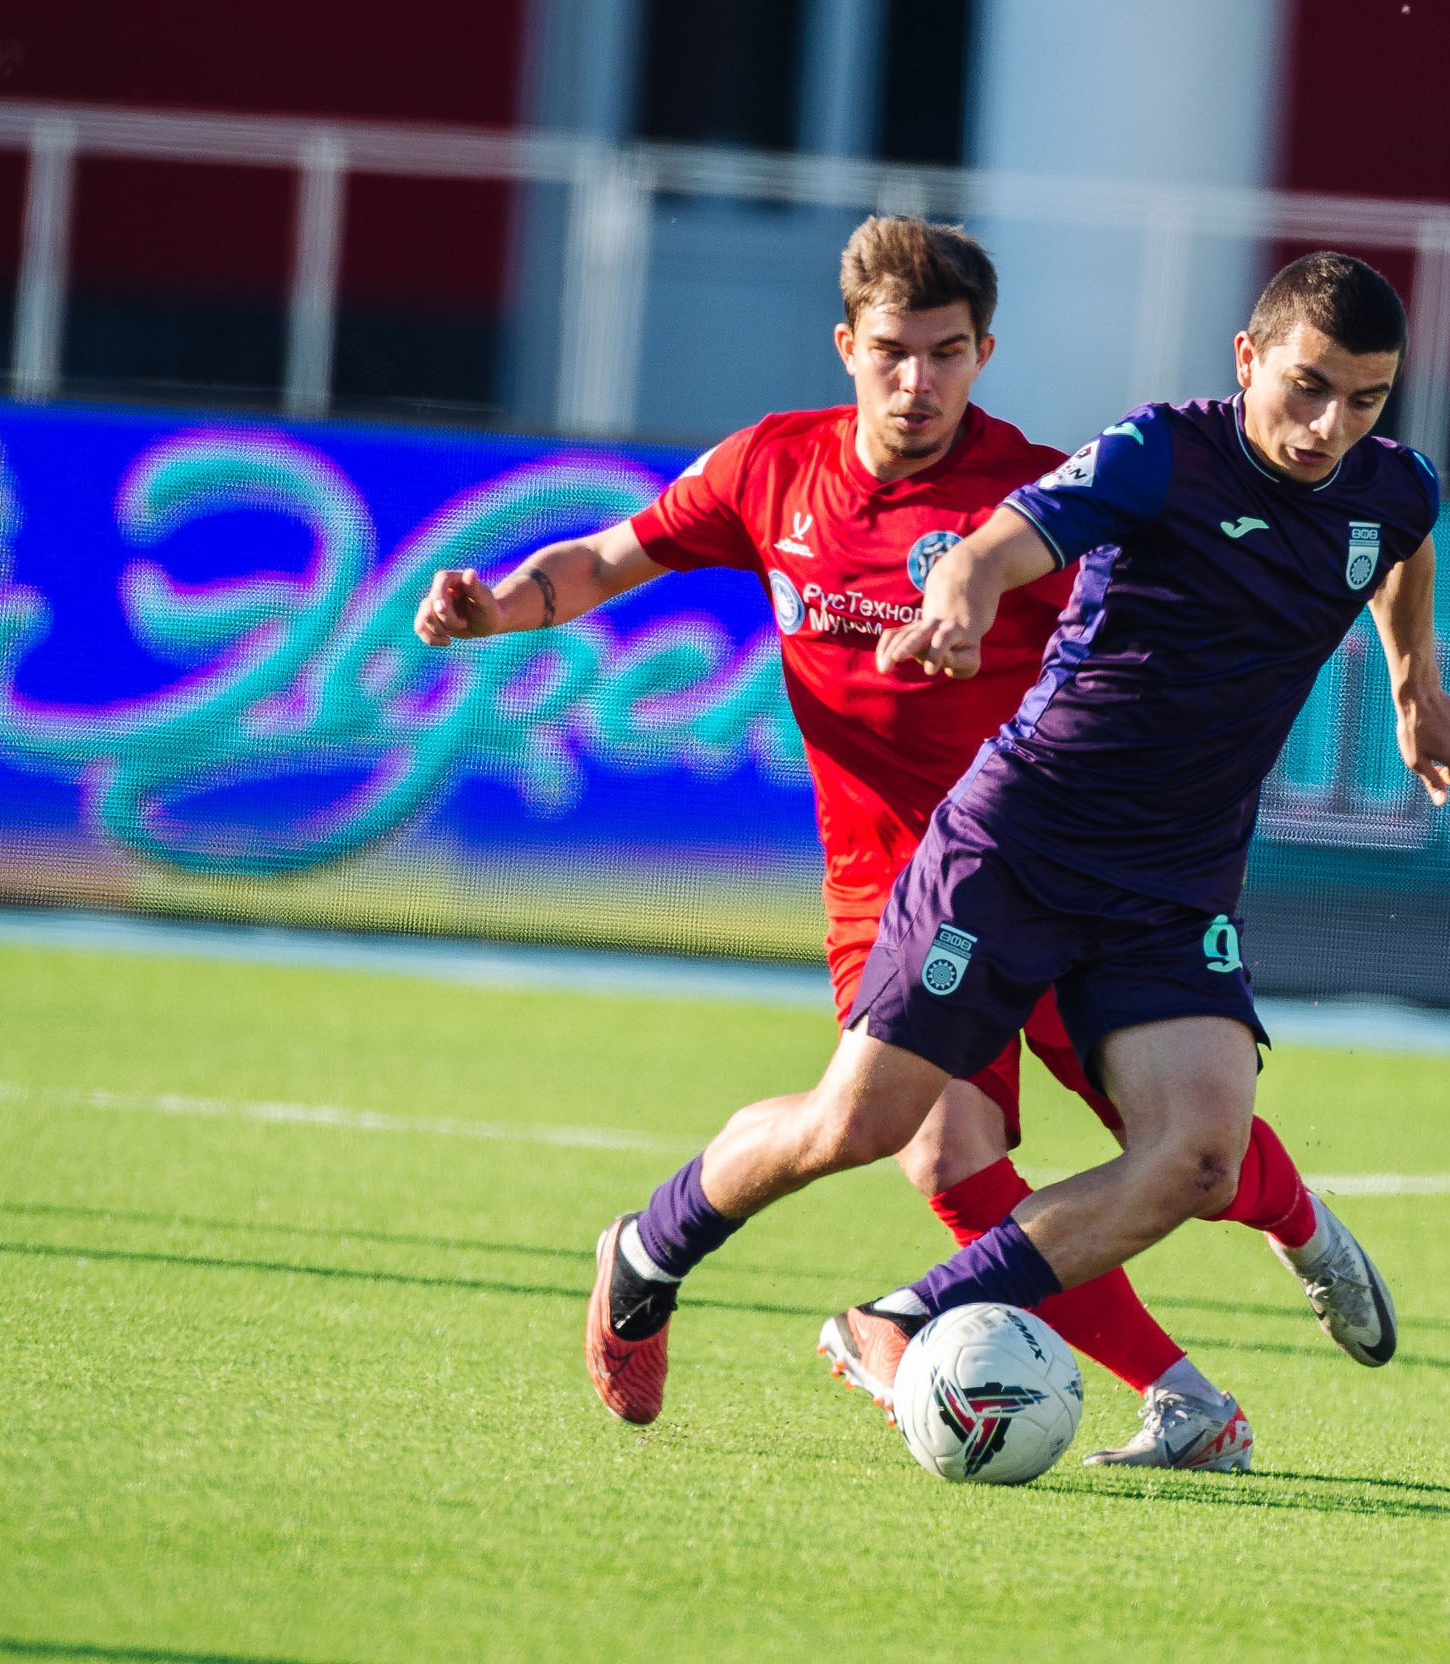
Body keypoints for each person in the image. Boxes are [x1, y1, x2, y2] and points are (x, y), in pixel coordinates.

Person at [413, 215, 1381, 1472]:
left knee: (1189, 1141)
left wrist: (978, 596)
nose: (915, 382)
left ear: (984, 353)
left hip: (1058, 851)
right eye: (890, 353)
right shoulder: (770, 467)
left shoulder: (1039, 484)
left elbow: (1250, 560)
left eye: (945, 353)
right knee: (911, 1137)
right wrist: (501, 605)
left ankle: (1304, 1235)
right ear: (846, 346)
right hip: (896, 879)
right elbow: (608, 556)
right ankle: (1170, 1388)